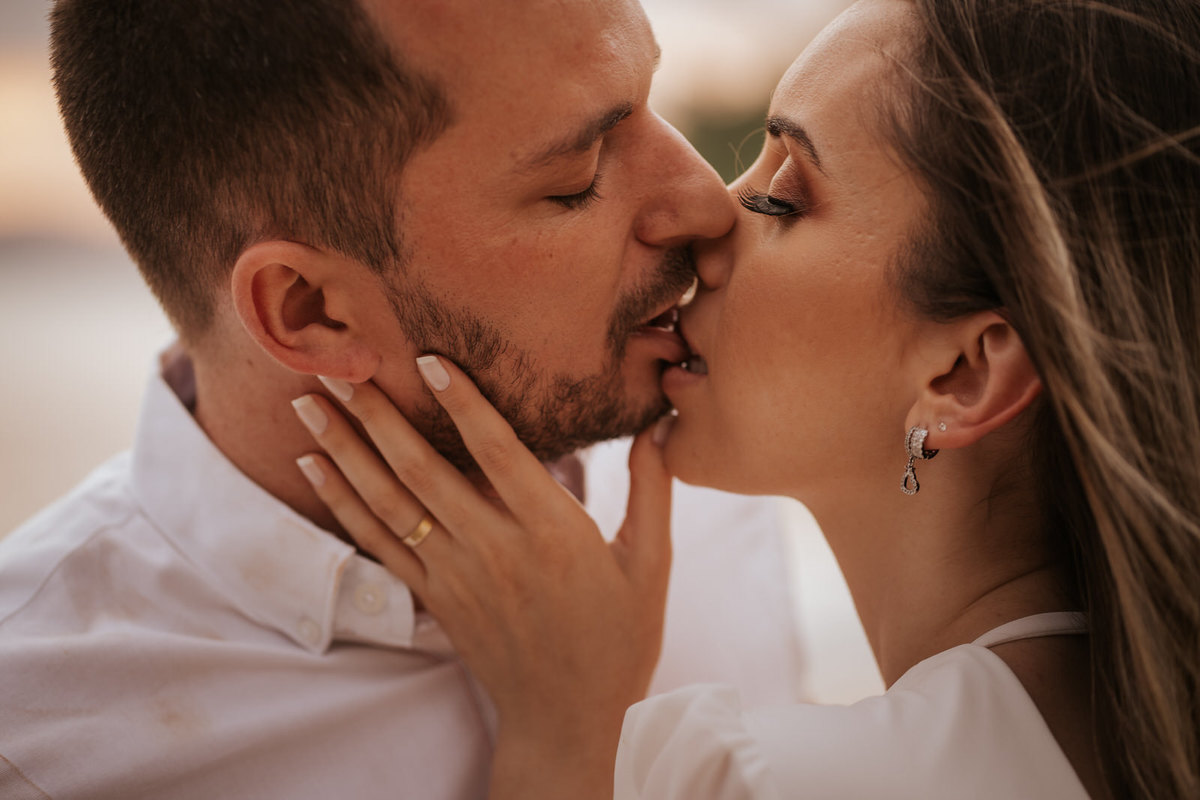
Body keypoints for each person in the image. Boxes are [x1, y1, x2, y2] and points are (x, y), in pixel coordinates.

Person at [297, 0, 1200, 797]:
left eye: (782, 199)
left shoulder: (764, 782)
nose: (709, 216)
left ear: (963, 376)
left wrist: (567, 734)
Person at [0, 0, 804, 796]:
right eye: (579, 177)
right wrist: (570, 749)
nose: (707, 202)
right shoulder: (40, 741)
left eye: (652, 100)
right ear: (311, 311)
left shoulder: (706, 489)